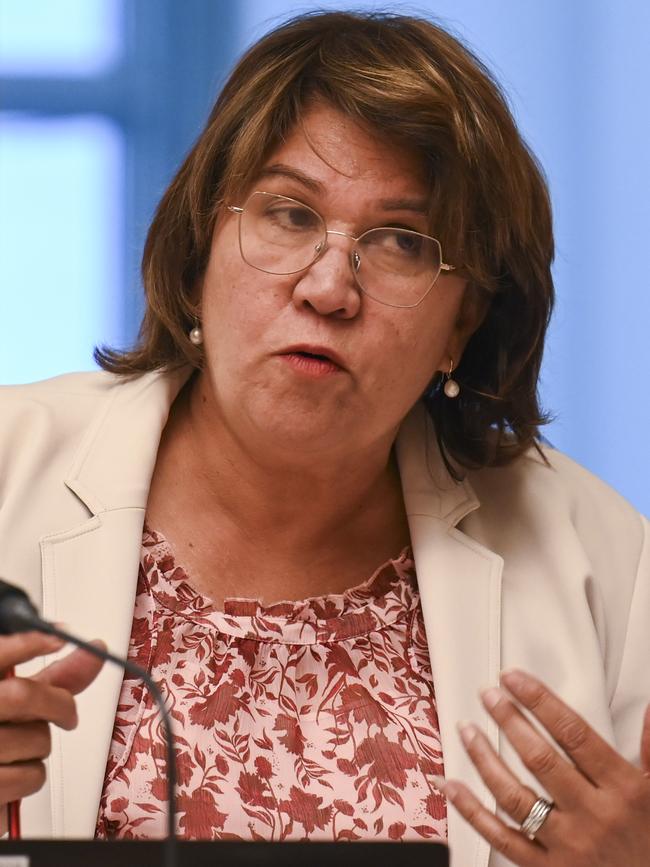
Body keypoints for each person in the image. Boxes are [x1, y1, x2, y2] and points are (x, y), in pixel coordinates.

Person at [0, 10, 648, 867]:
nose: (330, 286)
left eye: (402, 243)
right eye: (289, 214)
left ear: (462, 326)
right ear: (200, 251)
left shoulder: (604, 558)